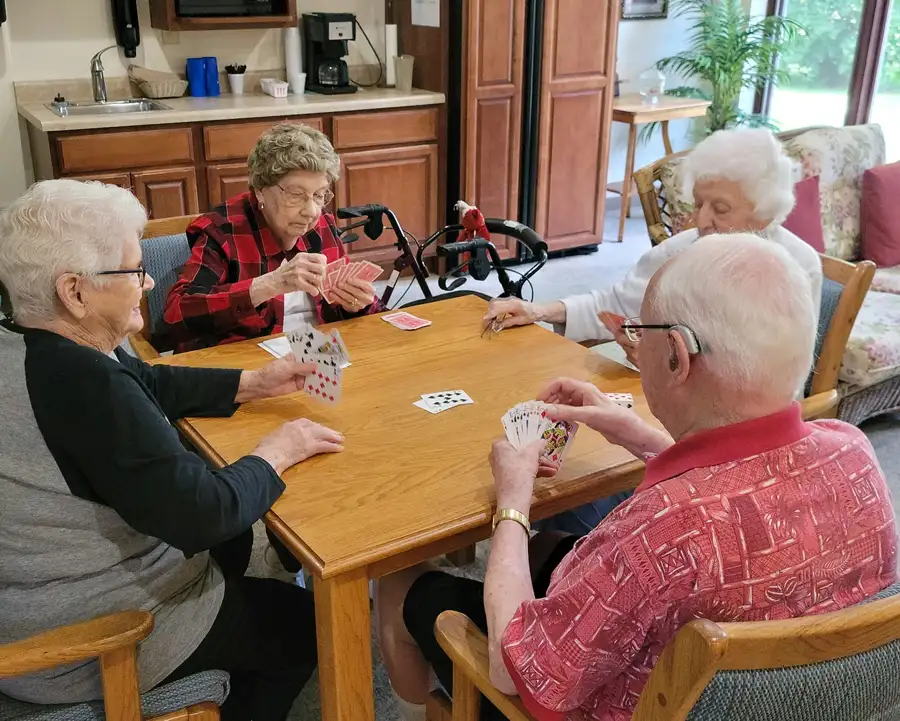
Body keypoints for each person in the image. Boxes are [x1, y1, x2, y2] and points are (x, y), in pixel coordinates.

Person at [376, 234, 898, 721]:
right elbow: (741, 497)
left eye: (638, 332)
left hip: (616, 703)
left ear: (676, 356)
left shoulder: (660, 529)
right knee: (546, 550)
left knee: (400, 583)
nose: (630, 342)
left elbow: (516, 671)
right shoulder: (850, 449)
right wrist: (646, 439)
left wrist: (513, 502)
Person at [0, 179, 346, 721]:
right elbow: (201, 515)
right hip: (87, 640)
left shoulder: (37, 339)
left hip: (38, 593)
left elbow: (146, 380)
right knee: (304, 624)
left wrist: (253, 383)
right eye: (133, 271)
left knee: (236, 537)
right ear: (75, 291)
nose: (147, 282)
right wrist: (277, 451)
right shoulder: (85, 385)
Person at [483, 128, 823, 361]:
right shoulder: (684, 249)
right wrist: (538, 311)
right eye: (698, 204)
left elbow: (778, 377)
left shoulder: (798, 267)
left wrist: (667, 362)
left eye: (720, 209)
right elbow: (615, 304)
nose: (702, 220)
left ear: (765, 213)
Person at [164, 122, 383, 353]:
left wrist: (358, 304)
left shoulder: (322, 224)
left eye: (319, 195)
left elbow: (355, 312)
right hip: (244, 361)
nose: (311, 211)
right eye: (296, 195)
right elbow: (176, 315)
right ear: (260, 190)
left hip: (317, 352)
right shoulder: (222, 231)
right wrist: (270, 284)